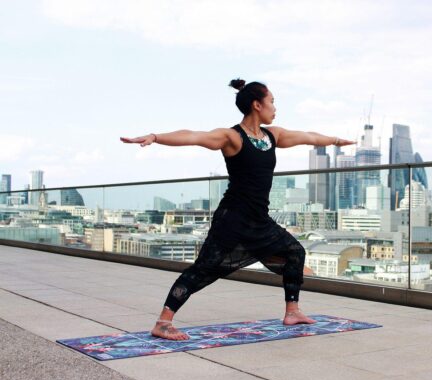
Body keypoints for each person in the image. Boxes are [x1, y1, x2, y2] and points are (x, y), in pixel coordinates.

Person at [120, 79, 355, 340]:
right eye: (272, 102)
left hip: (259, 220)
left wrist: (335, 140)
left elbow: (307, 137)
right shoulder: (232, 137)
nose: (275, 108)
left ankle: (292, 311)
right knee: (203, 270)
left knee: (295, 252)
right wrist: (155, 137)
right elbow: (194, 136)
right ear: (257, 104)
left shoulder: (272, 136)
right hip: (232, 219)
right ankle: (163, 323)